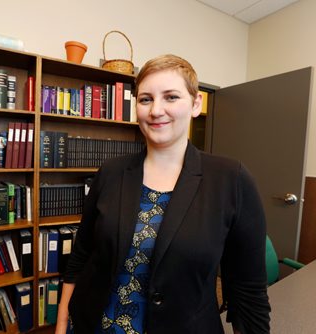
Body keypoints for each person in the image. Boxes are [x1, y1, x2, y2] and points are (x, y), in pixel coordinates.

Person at [55, 54, 270, 333]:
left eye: (171, 97)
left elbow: (248, 288)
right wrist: (62, 322)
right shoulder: (110, 172)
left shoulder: (232, 179)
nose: (156, 110)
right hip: (94, 324)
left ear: (195, 104)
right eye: (146, 99)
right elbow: (81, 256)